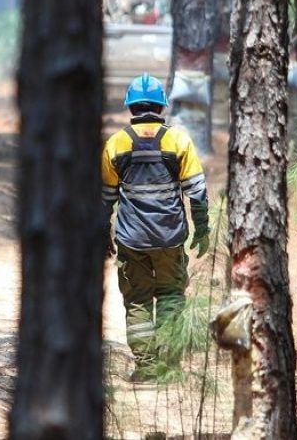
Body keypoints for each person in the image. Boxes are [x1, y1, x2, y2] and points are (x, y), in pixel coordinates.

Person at [102, 73, 210, 382]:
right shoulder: (178, 140)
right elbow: (197, 191)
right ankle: (168, 367)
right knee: (170, 296)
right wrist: (202, 228)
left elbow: (105, 199)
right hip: (170, 238)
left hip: (131, 240)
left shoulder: (116, 143)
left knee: (137, 301)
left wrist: (102, 235)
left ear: (130, 107)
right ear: (161, 107)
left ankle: (146, 368)